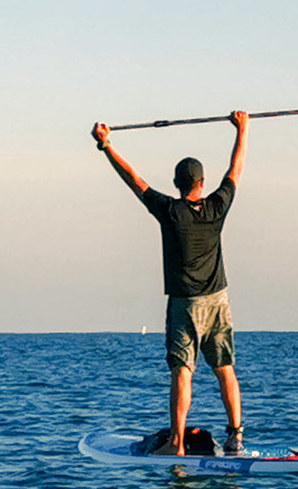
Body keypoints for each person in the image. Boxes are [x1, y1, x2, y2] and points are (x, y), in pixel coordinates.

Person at [90, 111, 249, 456]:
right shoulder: (217, 207)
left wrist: (106, 146)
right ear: (201, 183)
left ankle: (177, 444)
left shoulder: (169, 211)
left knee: (182, 373)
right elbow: (235, 170)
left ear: (177, 184)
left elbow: (133, 179)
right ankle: (235, 437)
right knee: (225, 369)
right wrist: (243, 129)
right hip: (219, 301)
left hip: (185, 304)